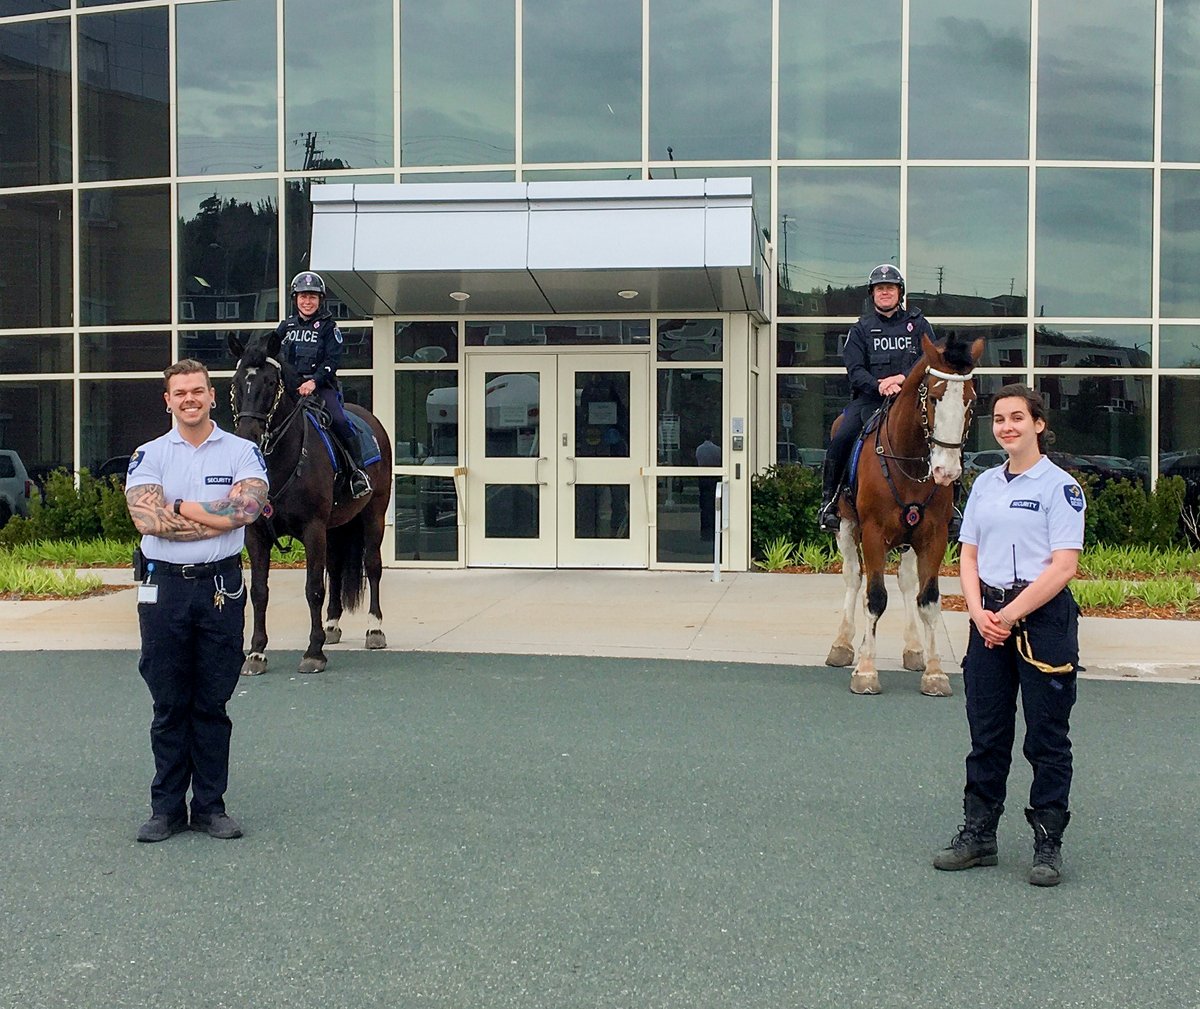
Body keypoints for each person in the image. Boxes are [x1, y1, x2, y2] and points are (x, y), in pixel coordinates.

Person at [933, 384, 1086, 886]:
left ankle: (1048, 842)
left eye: (1018, 417)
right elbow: (969, 555)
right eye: (999, 419)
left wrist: (1011, 614)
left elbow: (1063, 567)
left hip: (1041, 619)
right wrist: (978, 612)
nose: (1007, 427)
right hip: (988, 621)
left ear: (1038, 424)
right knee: (987, 734)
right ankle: (979, 835)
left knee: (1046, 738)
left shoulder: (1060, 487)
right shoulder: (985, 486)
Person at [124, 360, 269, 842]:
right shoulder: (148, 455)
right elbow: (147, 520)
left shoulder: (243, 451)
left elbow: (247, 508)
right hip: (163, 590)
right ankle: (165, 809)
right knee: (168, 703)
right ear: (167, 400)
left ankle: (210, 806)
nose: (189, 399)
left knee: (212, 703)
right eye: (179, 392)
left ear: (212, 396)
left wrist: (182, 507)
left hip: (220, 591)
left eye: (197, 391)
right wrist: (216, 515)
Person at [817, 264, 953, 533]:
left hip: (912, 401)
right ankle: (830, 501)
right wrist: (879, 385)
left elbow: (931, 360)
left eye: (890, 287)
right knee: (842, 436)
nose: (885, 292)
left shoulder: (919, 324)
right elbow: (855, 370)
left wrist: (901, 379)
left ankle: (954, 506)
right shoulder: (860, 329)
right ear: (872, 294)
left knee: (947, 434)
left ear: (899, 292)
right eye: (880, 288)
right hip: (870, 400)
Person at [275, 271, 371, 499]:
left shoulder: (329, 327)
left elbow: (332, 361)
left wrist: (313, 381)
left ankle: (357, 473)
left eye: (312, 297)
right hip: (291, 389)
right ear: (295, 299)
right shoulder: (285, 327)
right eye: (303, 297)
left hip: (320, 387)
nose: (307, 302)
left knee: (338, 420)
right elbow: (272, 350)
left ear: (320, 300)